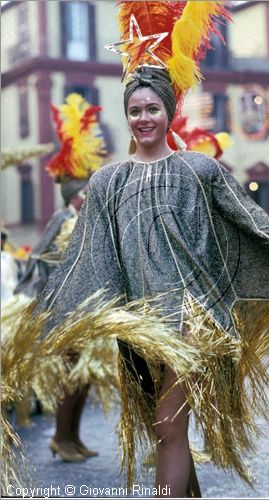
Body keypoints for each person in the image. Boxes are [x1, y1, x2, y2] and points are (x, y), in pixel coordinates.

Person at [28, 3, 269, 497]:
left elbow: (256, 228)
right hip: (138, 324)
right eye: (134, 110)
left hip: (194, 318)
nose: (143, 117)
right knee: (163, 429)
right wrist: (48, 322)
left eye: (152, 108)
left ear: (169, 111)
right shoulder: (108, 181)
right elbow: (85, 257)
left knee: (170, 429)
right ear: (125, 115)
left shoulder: (200, 171)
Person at [14, 92, 106, 463]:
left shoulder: (85, 222)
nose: (89, 196)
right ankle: (61, 438)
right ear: (73, 194)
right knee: (71, 379)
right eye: (85, 191)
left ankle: (73, 436)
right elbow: (40, 261)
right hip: (64, 313)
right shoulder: (61, 219)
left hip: (86, 311)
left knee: (84, 377)